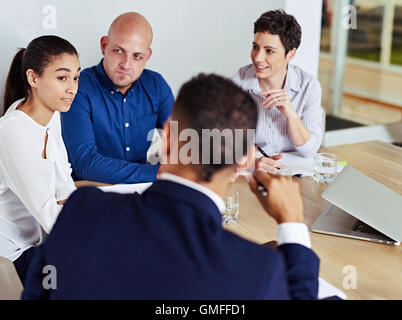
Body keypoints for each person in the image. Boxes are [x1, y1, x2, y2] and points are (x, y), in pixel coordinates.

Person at [22, 74, 319, 299]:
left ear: (167, 137)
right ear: (245, 159)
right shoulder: (257, 272)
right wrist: (292, 225)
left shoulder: (82, 209)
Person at [0, 36, 80, 284]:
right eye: (62, 77)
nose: (72, 88)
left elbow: (64, 179)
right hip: (15, 249)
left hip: (42, 239)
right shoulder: (12, 130)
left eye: (76, 77)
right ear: (33, 78)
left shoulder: (52, 116)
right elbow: (48, 213)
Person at [61, 12, 174, 184]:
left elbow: (179, 146)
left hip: (143, 191)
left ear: (147, 56)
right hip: (93, 190)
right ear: (104, 45)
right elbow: (86, 164)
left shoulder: (156, 86)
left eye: (137, 56)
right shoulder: (78, 88)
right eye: (118, 51)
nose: (126, 64)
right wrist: (159, 173)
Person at [232, 10, 324, 170]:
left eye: (269, 51)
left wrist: (291, 114)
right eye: (255, 47)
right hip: (250, 174)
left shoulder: (309, 86)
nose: (257, 57)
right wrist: (250, 163)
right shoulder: (237, 84)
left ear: (290, 54)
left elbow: (310, 150)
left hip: (293, 173)